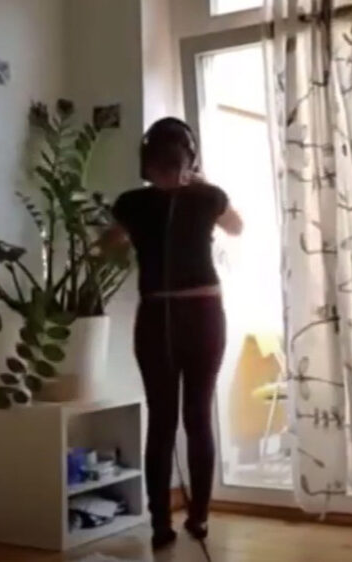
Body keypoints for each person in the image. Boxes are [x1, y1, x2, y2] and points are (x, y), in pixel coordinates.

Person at [102, 118, 243, 550]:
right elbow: (236, 226)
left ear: (145, 162)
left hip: (158, 316)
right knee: (196, 416)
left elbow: (105, 248)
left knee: (162, 420)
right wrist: (201, 185)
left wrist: (128, 230)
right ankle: (197, 518)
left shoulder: (131, 203)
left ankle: (161, 524)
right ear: (189, 158)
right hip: (202, 315)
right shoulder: (208, 196)